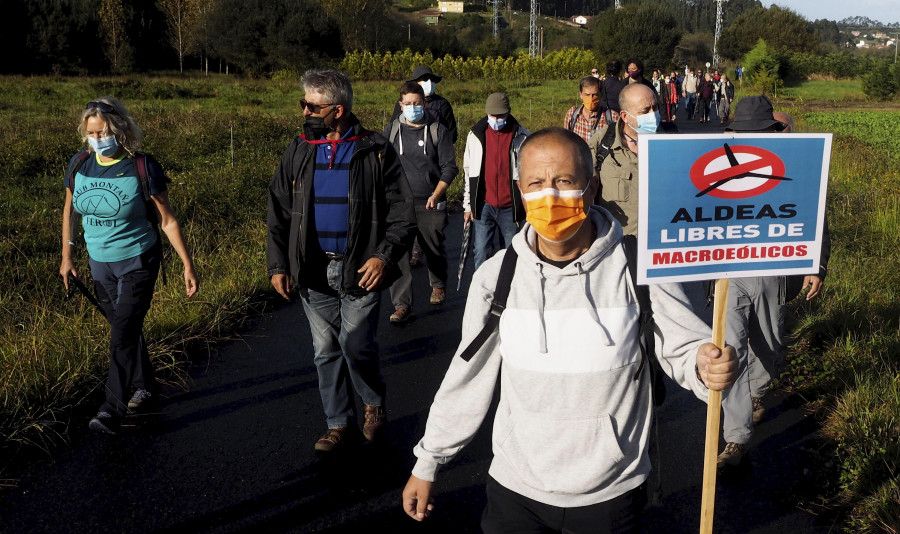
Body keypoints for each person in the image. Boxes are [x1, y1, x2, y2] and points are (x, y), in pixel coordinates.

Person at [401, 127, 738, 533]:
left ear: (591, 188)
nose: (550, 196)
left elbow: (684, 350)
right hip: (516, 491)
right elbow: (467, 375)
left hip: (611, 494)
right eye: (537, 184)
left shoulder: (640, 269)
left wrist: (706, 366)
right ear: (521, 193)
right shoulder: (496, 278)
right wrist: (429, 461)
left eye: (564, 181)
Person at [267, 68, 416, 452]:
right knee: (325, 350)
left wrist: (384, 256)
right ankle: (337, 423)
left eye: (312, 106)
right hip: (312, 268)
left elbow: (402, 212)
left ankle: (373, 402)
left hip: (361, 269)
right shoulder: (300, 149)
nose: (304, 112)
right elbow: (279, 210)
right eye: (304, 104)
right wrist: (278, 265)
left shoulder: (376, 149)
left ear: (338, 110)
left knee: (355, 345)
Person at [60, 97, 199, 434]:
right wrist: (67, 256)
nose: (97, 138)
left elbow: (167, 220)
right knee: (124, 329)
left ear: (119, 130)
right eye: (91, 133)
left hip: (138, 259)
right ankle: (146, 386)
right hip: (99, 263)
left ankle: (111, 408)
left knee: (121, 335)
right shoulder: (80, 163)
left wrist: (187, 265)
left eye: (103, 132)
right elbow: (69, 211)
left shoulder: (142, 166)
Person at [716, 97, 830, 466]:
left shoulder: (796, 167)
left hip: (774, 271)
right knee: (729, 350)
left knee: (768, 347)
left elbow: (814, 216)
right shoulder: (718, 163)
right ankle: (736, 439)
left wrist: (816, 265)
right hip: (728, 273)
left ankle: (757, 392)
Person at [383, 82, 458, 324]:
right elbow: (382, 166)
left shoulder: (438, 131)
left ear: (424, 103)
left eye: (417, 103)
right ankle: (402, 305)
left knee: (433, 248)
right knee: (400, 255)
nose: (413, 108)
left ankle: (437, 285)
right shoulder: (392, 131)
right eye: (408, 104)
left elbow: (449, 168)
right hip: (400, 205)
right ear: (400, 105)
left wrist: (436, 195)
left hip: (430, 202)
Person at [390, 65, 458, 268]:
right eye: (423, 79)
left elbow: (452, 132)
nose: (428, 82)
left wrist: (435, 143)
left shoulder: (442, 104)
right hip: (405, 187)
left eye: (430, 79)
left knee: (434, 242)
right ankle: (415, 252)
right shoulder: (399, 113)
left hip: (433, 169)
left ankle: (436, 280)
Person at [462, 92, 530, 269]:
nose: (497, 119)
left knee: (513, 254)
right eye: (493, 116)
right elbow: (469, 172)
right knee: (481, 253)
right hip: (485, 206)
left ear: (508, 113)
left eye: (501, 116)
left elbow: (529, 174)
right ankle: (483, 291)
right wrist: (468, 206)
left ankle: (509, 291)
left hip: (511, 209)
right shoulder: (475, 136)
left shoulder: (522, 137)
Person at [587, 83, 661, 236]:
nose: (653, 115)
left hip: (661, 242)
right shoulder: (602, 144)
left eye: (655, 107)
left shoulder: (671, 139)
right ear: (625, 116)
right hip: (620, 244)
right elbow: (586, 197)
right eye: (645, 111)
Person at [390, 65, 458, 145]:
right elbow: (393, 128)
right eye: (425, 79)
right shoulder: (404, 101)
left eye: (432, 80)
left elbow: (451, 134)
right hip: (406, 150)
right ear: (415, 82)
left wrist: (438, 148)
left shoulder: (442, 104)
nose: (429, 82)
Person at [564, 75, 607, 143]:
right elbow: (565, 140)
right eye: (587, 95)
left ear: (600, 94)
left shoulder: (611, 117)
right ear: (580, 95)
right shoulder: (572, 114)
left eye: (595, 95)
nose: (591, 99)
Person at [600, 59, 626, 124]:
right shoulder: (623, 86)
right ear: (619, 70)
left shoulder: (601, 84)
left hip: (603, 118)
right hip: (619, 120)